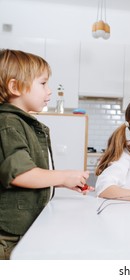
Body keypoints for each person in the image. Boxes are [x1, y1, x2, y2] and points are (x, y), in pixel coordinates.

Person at [0, 49, 92, 260]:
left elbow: (31, 173)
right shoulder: (7, 123)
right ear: (14, 87)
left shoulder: (23, 123)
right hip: (8, 236)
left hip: (22, 228)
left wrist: (61, 182)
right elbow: (20, 175)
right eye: (43, 84)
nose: (49, 91)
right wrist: (63, 176)